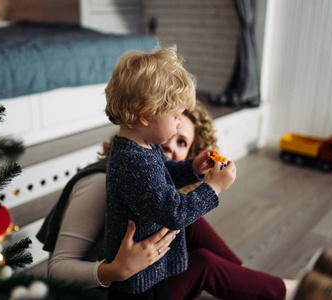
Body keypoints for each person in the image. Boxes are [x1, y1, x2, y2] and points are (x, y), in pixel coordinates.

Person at [37, 99, 297, 299]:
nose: (172, 146)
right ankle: (283, 290)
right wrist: (114, 270)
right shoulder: (99, 184)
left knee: (190, 223)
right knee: (204, 262)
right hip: (107, 290)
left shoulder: (153, 174)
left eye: (183, 142)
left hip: (138, 275)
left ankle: (244, 281)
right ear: (146, 124)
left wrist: (194, 170)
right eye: (172, 128)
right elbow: (56, 269)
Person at [100, 45, 236, 298]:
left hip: (149, 269)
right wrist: (214, 187)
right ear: (146, 115)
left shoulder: (140, 148)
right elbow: (173, 212)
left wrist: (192, 167)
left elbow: (160, 178)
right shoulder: (132, 160)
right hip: (136, 280)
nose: (178, 122)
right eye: (175, 115)